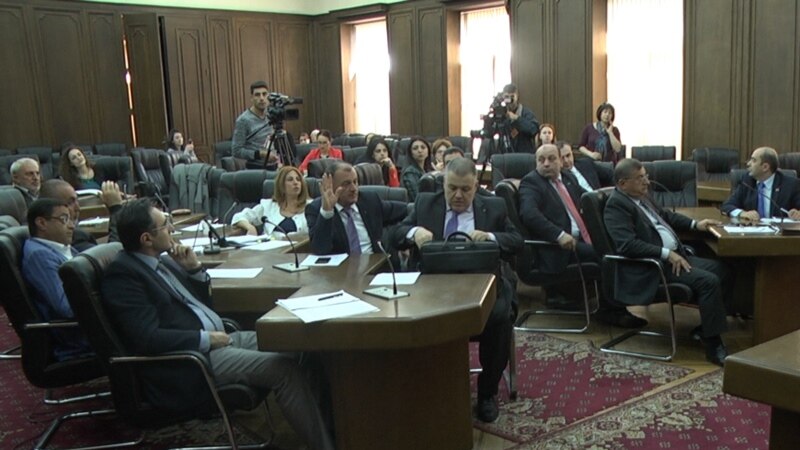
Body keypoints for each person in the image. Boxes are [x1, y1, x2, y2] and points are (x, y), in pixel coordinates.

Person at [102, 199, 334, 449]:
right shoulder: (124, 276)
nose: (172, 228)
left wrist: (194, 270)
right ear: (147, 239)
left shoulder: (165, 261)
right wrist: (205, 339)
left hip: (220, 339)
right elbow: (146, 338)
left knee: (302, 345)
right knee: (284, 370)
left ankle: (333, 429)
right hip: (192, 359)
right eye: (165, 225)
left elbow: (196, 307)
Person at [392, 157, 522, 423]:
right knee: (415, 319)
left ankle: (487, 393)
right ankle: (430, 387)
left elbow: (517, 241)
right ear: (443, 184)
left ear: (476, 186)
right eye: (452, 188)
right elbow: (395, 235)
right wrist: (414, 232)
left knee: (500, 318)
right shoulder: (425, 204)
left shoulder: (494, 206)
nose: (458, 195)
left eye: (466, 189)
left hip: (482, 283)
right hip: (433, 287)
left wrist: (490, 237)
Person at [604, 158, 730, 366]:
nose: (647, 181)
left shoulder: (642, 196)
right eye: (640, 178)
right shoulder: (616, 206)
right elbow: (627, 245)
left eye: (646, 176)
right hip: (652, 267)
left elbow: (666, 217)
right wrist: (666, 254)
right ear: (623, 184)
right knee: (708, 281)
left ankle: (705, 328)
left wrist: (696, 224)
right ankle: (713, 344)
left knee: (723, 270)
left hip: (675, 257)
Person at [519, 144, 647, 327]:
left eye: (551, 159)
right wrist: (558, 235)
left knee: (618, 245)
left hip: (582, 239)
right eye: (541, 160)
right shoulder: (531, 182)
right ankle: (611, 311)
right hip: (558, 248)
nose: (546, 164)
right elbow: (529, 214)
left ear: (560, 160)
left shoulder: (568, 177)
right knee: (607, 256)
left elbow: (588, 203)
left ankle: (624, 300)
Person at [21, 198, 93, 361]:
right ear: (42, 223)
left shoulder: (58, 247)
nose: (72, 226)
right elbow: (66, 307)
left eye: (71, 219)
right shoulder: (40, 256)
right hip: (80, 338)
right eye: (64, 219)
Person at [306, 161, 407, 255]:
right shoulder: (316, 209)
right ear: (330, 186)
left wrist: (413, 232)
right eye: (346, 184)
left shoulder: (369, 201)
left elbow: (406, 210)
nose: (353, 189)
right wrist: (327, 212)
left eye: (355, 182)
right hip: (343, 267)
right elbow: (320, 250)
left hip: (376, 264)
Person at [39, 179, 123, 251]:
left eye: (77, 200)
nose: (78, 208)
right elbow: (113, 254)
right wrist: (115, 207)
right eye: (70, 202)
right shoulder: (74, 240)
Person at [721, 146, 800, 221]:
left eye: (753, 160)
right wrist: (742, 213)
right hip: (752, 228)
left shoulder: (791, 185)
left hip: (779, 230)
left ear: (765, 167)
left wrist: (797, 213)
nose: (748, 164)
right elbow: (727, 206)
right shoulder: (747, 181)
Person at [232, 166, 311, 237]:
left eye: (298, 179)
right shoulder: (269, 206)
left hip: (299, 248)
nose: (296, 183)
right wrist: (250, 227)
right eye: (290, 180)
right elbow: (238, 217)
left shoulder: (311, 207)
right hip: (269, 247)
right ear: (281, 185)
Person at [232, 80, 279, 169]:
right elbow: (236, 151)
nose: (261, 98)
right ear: (251, 98)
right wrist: (260, 154)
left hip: (273, 166)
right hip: (255, 168)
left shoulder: (271, 115)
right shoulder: (243, 120)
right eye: (257, 95)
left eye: (264, 94)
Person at [500, 83, 540, 154]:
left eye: (512, 96)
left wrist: (517, 118)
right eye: (507, 97)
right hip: (505, 155)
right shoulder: (500, 114)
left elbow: (534, 129)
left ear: (517, 96)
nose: (510, 100)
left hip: (524, 154)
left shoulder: (525, 112)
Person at [400, 136, 435, 201]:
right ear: (411, 153)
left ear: (428, 151)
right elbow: (417, 197)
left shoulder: (429, 170)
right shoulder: (410, 172)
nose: (420, 150)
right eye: (415, 148)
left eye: (423, 147)